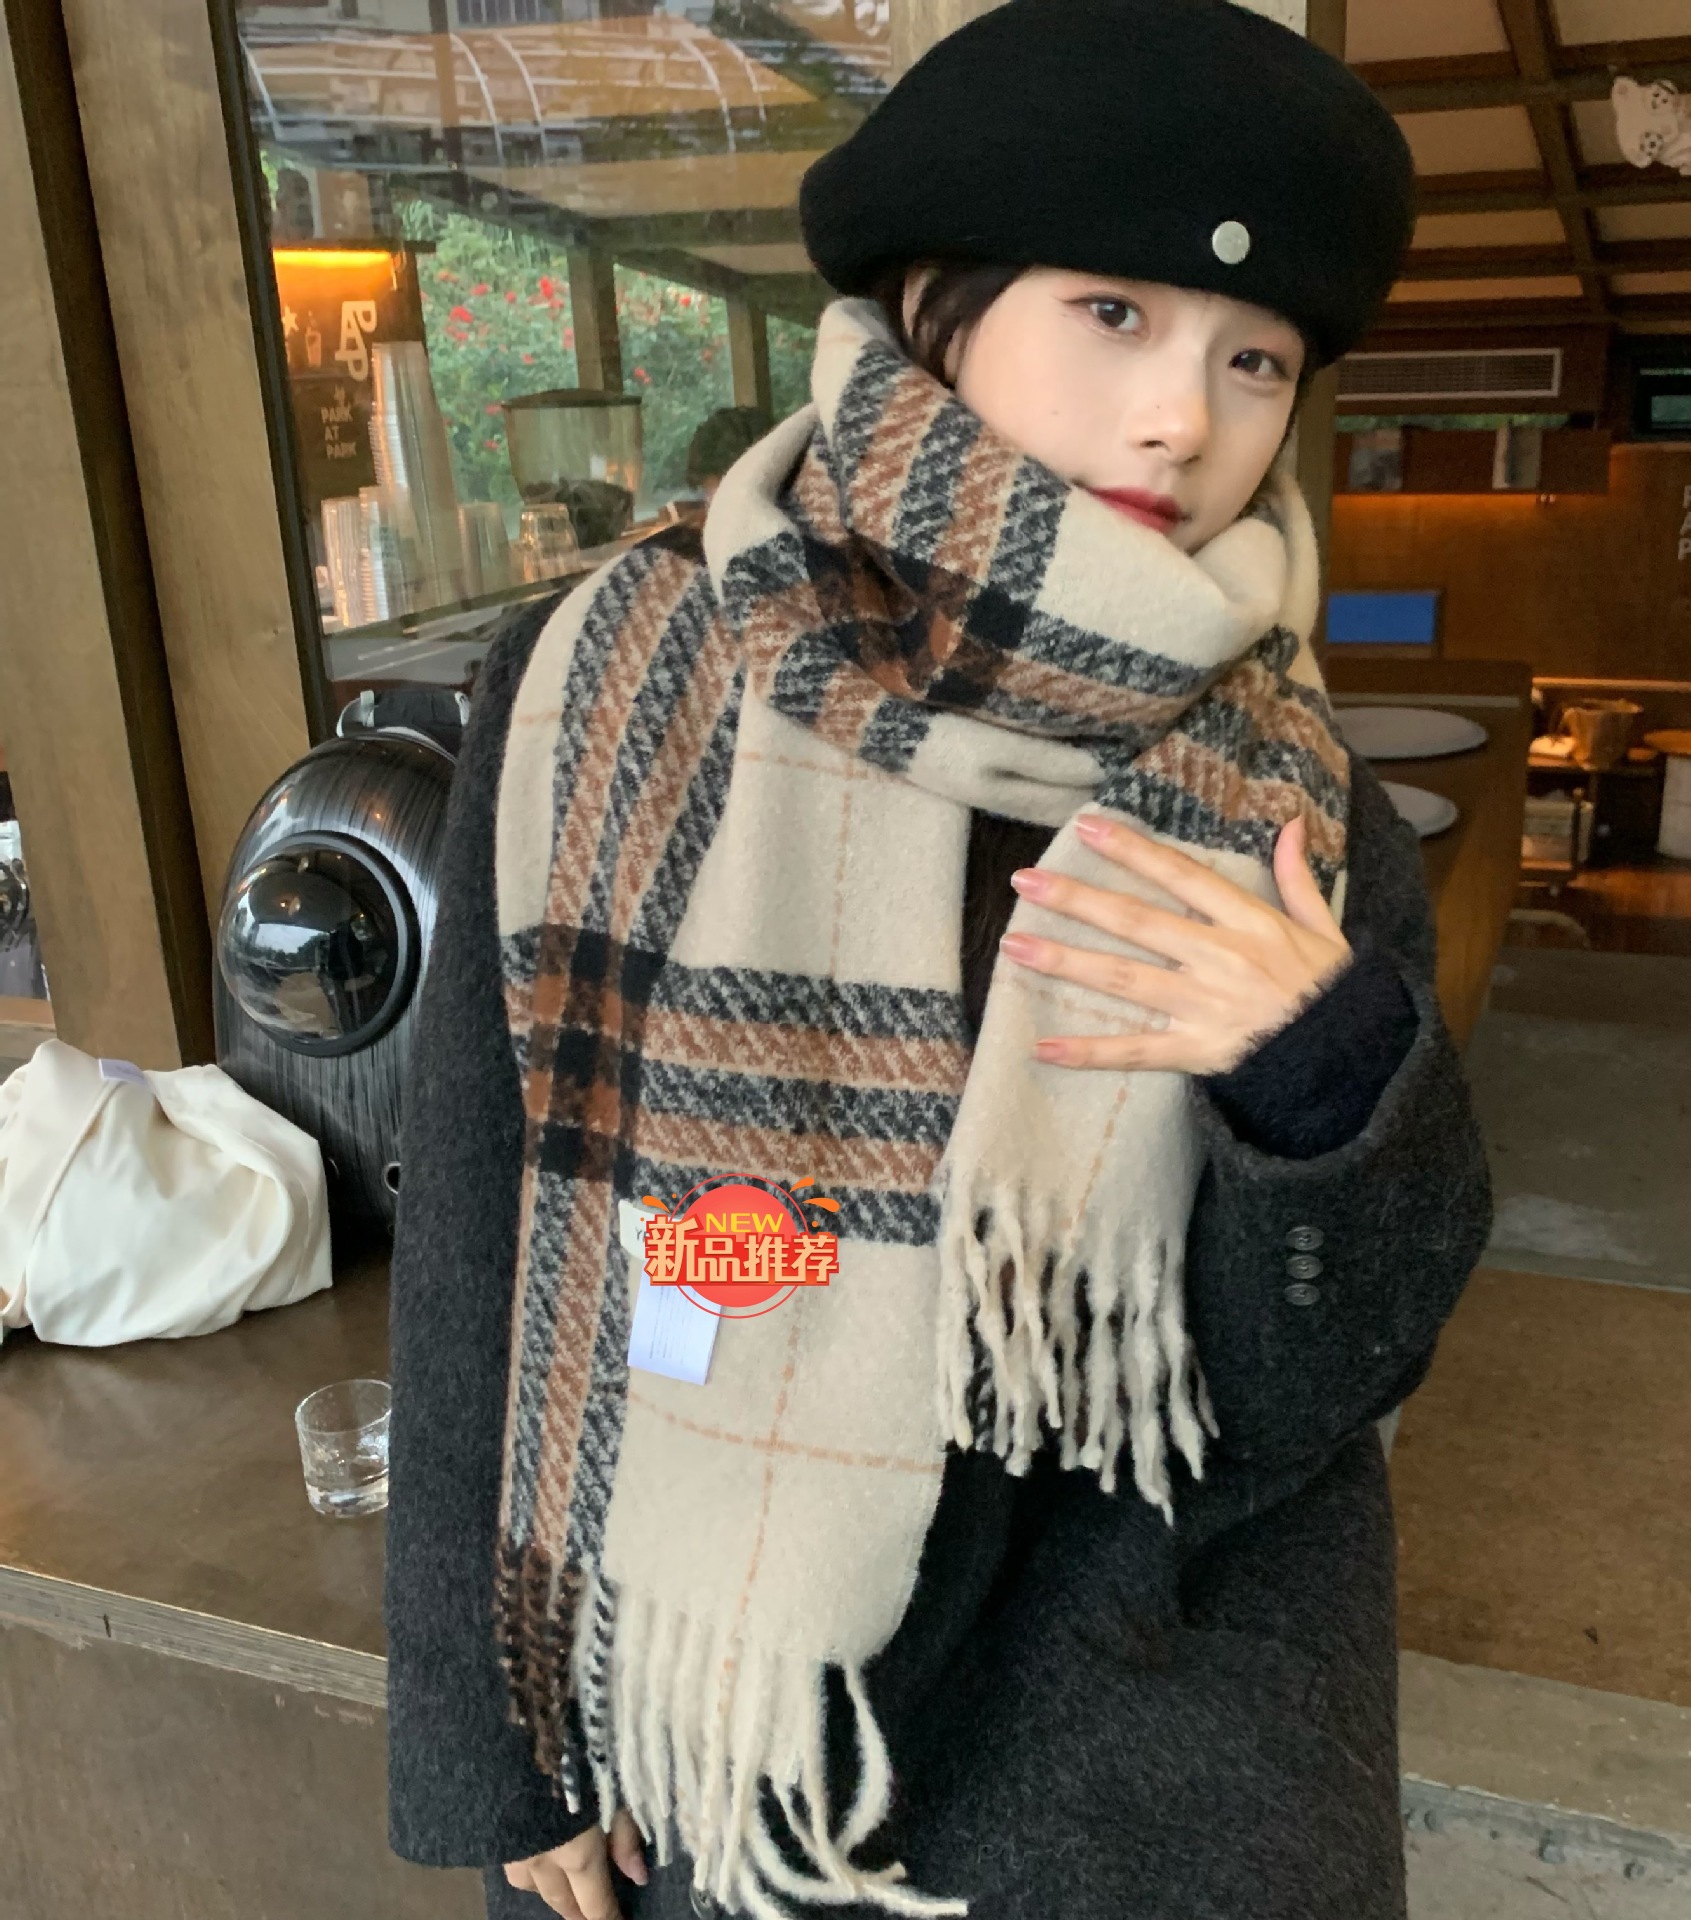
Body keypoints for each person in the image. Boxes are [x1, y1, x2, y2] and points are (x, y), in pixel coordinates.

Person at [382, 2, 1493, 1917]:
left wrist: (1317, 1075)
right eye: (1113, 314)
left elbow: (1308, 1409)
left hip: (1142, 1767)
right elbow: (485, 1216)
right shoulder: (623, 678)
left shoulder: (1289, 789)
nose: (1187, 419)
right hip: (694, 1738)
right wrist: (501, 1743)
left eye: (1255, 358)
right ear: (935, 308)